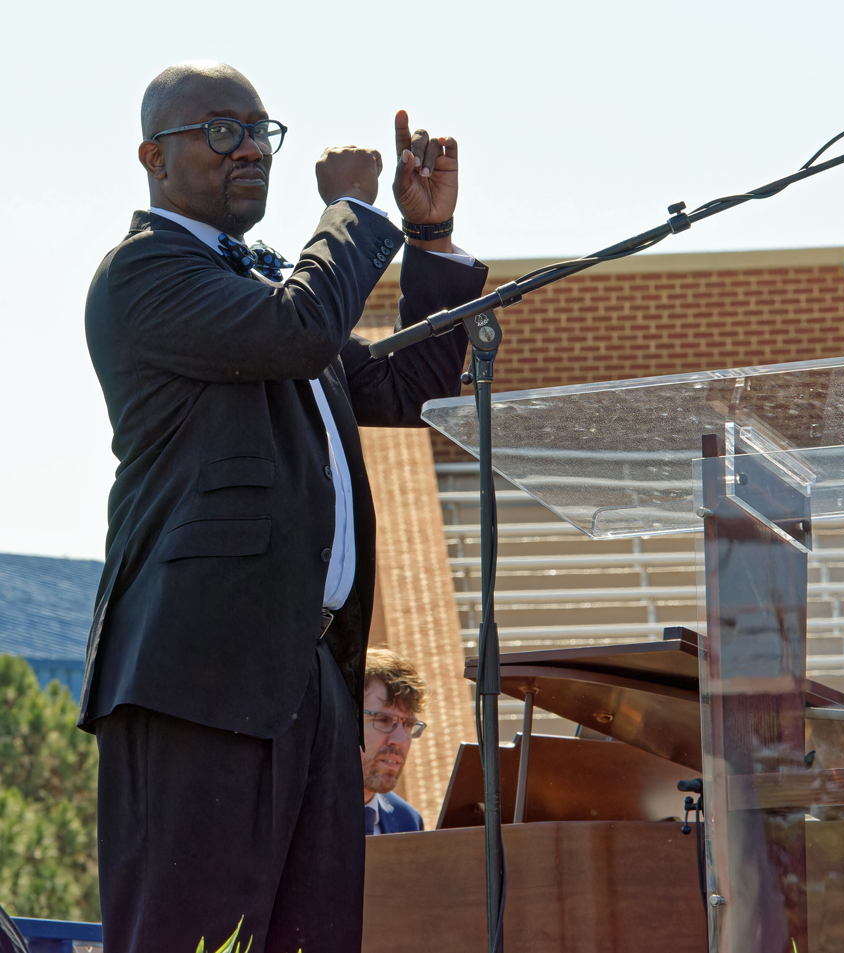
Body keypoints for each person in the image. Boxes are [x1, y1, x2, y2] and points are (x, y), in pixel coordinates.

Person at [81, 60, 487, 953]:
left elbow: (403, 387)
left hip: (310, 675)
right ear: (154, 155)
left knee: (313, 933)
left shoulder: (267, 286)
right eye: (220, 131)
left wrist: (432, 241)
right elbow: (299, 333)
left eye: (261, 131)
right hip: (200, 673)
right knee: (190, 933)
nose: (250, 150)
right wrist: (352, 212)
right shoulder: (144, 274)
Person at [361, 648, 429, 835]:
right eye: (383, 720)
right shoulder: (293, 813)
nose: (399, 740)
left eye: (408, 724)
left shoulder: (408, 822)